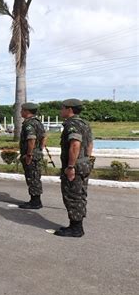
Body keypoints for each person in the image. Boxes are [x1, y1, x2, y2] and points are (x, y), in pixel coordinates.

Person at [54, 99, 93, 238]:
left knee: (72, 196)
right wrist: (86, 160)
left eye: (62, 108)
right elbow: (89, 144)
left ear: (69, 109)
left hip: (75, 167)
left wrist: (71, 166)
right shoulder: (84, 123)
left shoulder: (72, 124)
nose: (61, 111)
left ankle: (76, 228)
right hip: (83, 164)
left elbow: (75, 145)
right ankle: (76, 225)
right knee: (80, 194)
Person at [18, 103, 47, 209]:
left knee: (32, 178)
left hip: (31, 156)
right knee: (35, 177)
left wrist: (30, 154)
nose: (21, 112)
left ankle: (35, 202)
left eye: (22, 110)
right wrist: (39, 149)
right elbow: (44, 137)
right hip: (37, 154)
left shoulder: (29, 123)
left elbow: (31, 139)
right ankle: (34, 200)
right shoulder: (38, 122)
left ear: (27, 111)